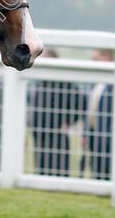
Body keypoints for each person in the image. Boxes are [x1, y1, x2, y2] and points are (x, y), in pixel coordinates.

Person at [28, 49, 86, 177]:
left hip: (57, 134)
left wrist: (68, 122)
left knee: (58, 169)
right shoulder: (40, 80)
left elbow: (81, 103)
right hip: (39, 133)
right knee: (41, 169)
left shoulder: (63, 82)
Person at [82, 49, 115, 180]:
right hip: (95, 140)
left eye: (96, 59)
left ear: (107, 57)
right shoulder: (97, 82)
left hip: (113, 141)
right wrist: (86, 134)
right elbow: (91, 110)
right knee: (98, 176)